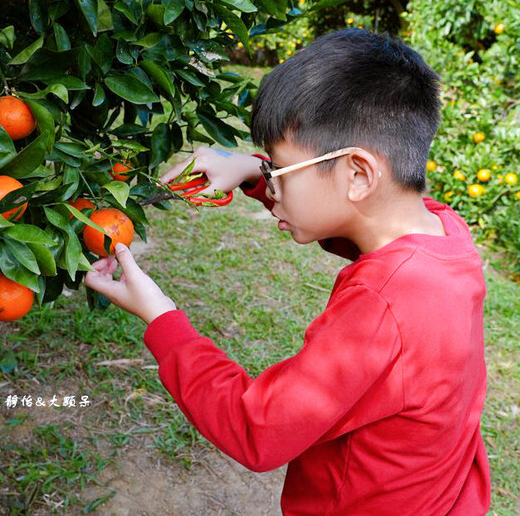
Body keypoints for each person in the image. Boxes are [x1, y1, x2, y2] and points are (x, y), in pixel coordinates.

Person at [83, 28, 491, 515]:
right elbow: (362, 232)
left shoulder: (381, 309)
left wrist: (160, 316)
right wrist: (255, 173)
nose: (272, 183)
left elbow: (257, 429)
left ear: (358, 174)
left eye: (279, 170)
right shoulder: (445, 234)